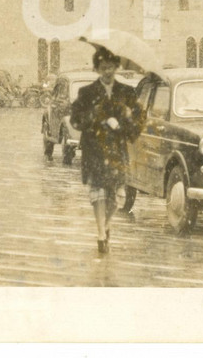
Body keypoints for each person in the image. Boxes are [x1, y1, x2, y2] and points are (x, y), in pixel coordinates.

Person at [70, 46, 146, 255]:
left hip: (116, 149)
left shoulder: (126, 92)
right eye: (103, 67)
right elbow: (76, 119)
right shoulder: (86, 93)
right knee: (98, 192)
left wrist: (123, 123)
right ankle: (100, 233)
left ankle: (107, 223)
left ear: (116, 68)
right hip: (94, 149)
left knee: (115, 196)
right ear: (96, 69)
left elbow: (139, 117)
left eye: (111, 67)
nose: (107, 71)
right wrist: (96, 117)